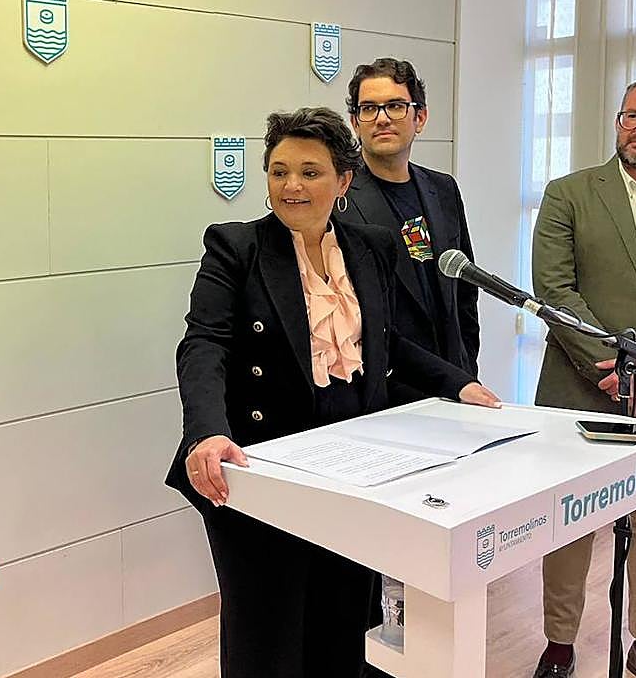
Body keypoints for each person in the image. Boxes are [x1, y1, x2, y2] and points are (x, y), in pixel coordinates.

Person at [165, 107, 501, 678]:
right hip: (260, 464)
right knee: (267, 626)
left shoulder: (371, 245)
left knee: (345, 612)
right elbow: (203, 344)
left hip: (353, 462)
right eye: (278, 171)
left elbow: (386, 343)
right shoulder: (235, 246)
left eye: (310, 172)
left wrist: (458, 381)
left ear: (343, 180)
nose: (291, 186)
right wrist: (206, 429)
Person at [530, 72, 636, 678]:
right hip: (579, 389)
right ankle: (559, 643)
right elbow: (554, 290)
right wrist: (621, 371)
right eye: (631, 115)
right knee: (569, 522)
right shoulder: (568, 192)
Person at [338, 58, 479, 398]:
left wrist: (465, 369)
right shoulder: (339, 196)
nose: (382, 118)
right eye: (369, 108)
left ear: (421, 117)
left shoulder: (443, 189)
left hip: (452, 382)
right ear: (355, 122)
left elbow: (464, 292)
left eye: (396, 106)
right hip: (382, 389)